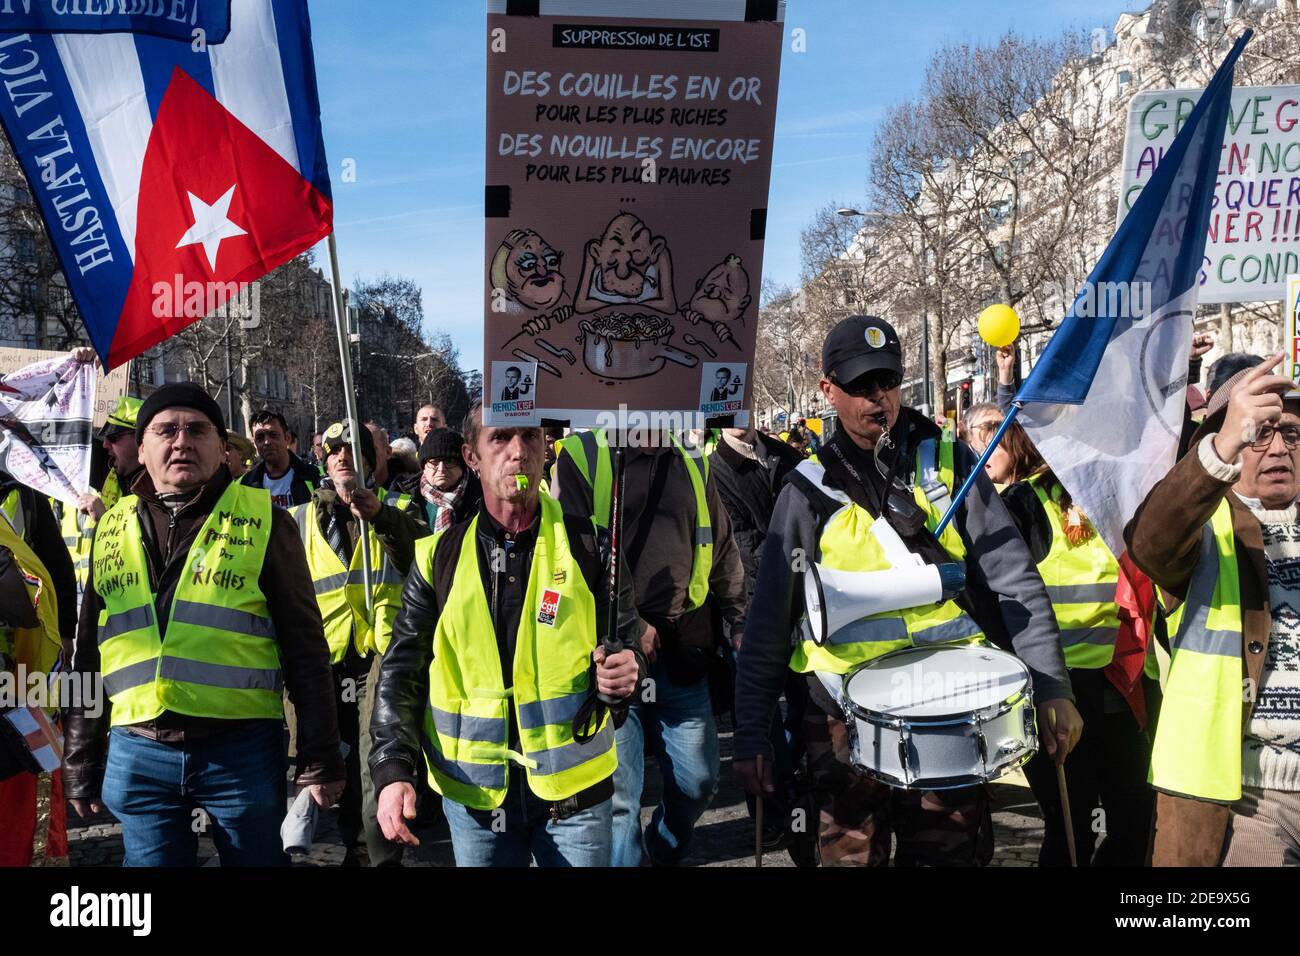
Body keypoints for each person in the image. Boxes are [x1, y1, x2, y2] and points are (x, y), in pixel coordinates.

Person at [734, 315, 1081, 866]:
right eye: (860, 387)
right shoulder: (807, 490)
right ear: (828, 390)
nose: (879, 399)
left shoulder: (950, 465)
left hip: (952, 712)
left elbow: (1015, 582)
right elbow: (768, 624)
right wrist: (752, 735)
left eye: (888, 382)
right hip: (840, 722)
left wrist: (1052, 686)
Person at [63, 383, 344, 867]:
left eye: (197, 430)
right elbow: (87, 650)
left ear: (221, 446)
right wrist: (80, 759)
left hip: (240, 752)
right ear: (143, 446)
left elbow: (305, 649)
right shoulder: (111, 526)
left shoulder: (265, 521)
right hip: (138, 750)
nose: (181, 441)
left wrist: (318, 758)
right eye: (165, 430)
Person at [369, 404, 644, 866]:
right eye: (500, 439)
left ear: (545, 448)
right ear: (471, 456)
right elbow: (402, 669)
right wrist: (392, 767)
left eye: (530, 437)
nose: (518, 452)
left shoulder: (591, 545)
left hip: (575, 796)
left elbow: (628, 645)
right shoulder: (437, 556)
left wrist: (625, 671)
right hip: (474, 799)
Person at [1127, 354, 1300, 866]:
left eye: (1289, 433)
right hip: (1247, 796)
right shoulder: (1207, 529)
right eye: (1258, 433)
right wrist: (1225, 440)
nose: (1276, 448)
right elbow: (1151, 540)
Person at [967, 403, 1154, 866]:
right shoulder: (1023, 504)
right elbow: (1002, 600)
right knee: (1072, 826)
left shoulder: (1122, 499)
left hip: (1124, 687)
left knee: (1135, 820)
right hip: (1058, 693)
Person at [555, 425, 746, 866]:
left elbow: (720, 545)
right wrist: (631, 623)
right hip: (614, 659)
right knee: (621, 801)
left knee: (699, 781)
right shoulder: (583, 455)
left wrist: (740, 618)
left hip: (681, 653)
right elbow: (571, 556)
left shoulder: (693, 456)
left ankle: (661, 853)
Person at [291, 420, 428, 867]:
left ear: (372, 460)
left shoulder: (402, 505)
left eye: (352, 449)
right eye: (333, 451)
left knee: (377, 765)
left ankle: (384, 854)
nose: (342, 457)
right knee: (340, 767)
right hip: (327, 660)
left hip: (381, 654)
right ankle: (353, 846)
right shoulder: (300, 517)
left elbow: (423, 557)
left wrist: (381, 517)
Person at [709, 415, 810, 859]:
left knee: (807, 709)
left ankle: (796, 802)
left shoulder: (784, 455)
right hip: (751, 614)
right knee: (759, 724)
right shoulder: (715, 469)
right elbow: (742, 544)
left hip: (806, 605)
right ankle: (771, 818)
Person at [242, 408, 320, 508]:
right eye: (260, 437)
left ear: (287, 438)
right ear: (254, 443)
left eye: (273, 435)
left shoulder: (312, 476)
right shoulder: (247, 483)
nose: (267, 442)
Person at [413, 428, 481, 532]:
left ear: (462, 466)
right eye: (434, 462)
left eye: (449, 461)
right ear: (424, 467)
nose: (441, 469)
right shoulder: (406, 497)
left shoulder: (483, 498)